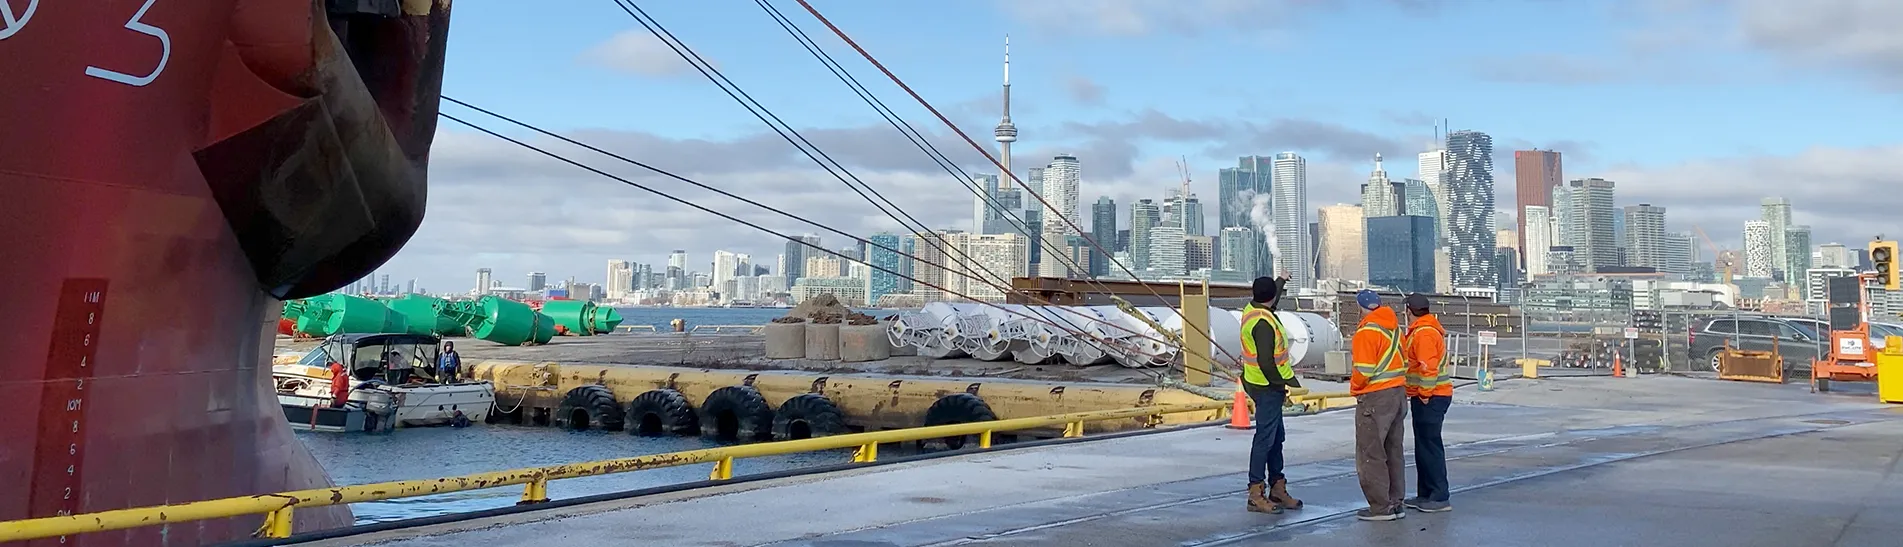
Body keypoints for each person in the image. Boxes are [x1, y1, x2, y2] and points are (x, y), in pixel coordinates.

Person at [1240, 276, 1304, 514]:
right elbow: (1266, 361)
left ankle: (1277, 487)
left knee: (1276, 438)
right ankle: (1256, 493)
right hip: (1266, 387)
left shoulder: (1254, 310)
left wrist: (1281, 280)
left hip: (1263, 385)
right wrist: (1282, 384)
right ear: (1272, 298)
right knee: (1265, 439)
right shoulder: (1263, 324)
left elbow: (1270, 298)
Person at [1349, 289, 1408, 521]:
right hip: (1397, 394)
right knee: (1394, 451)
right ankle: (1395, 502)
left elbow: (1363, 370)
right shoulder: (1394, 329)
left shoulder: (1366, 331)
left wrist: (1355, 388)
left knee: (1371, 453)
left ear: (1360, 308)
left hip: (1375, 397)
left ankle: (1380, 507)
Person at [1402, 293, 1454, 513]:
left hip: (1431, 396)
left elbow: (1427, 368)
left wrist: (1423, 394)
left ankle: (1439, 496)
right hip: (1429, 395)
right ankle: (1426, 494)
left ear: (1409, 311)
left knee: (1430, 447)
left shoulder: (1423, 334)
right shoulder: (1425, 330)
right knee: (1424, 447)